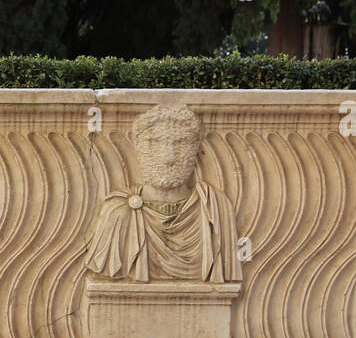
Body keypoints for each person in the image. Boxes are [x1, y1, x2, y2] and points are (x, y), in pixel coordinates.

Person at [86, 104, 241, 284]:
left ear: (197, 149)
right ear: (137, 146)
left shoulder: (216, 208)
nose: (169, 157)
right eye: (155, 142)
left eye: (182, 143)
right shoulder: (117, 211)